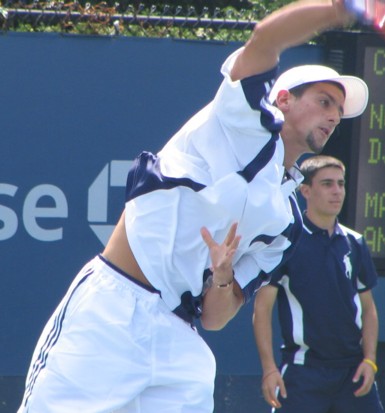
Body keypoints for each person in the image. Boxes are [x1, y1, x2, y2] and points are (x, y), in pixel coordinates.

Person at [18, 2, 369, 412]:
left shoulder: (288, 221)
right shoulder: (240, 122)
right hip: (110, 313)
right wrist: (339, 8)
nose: (334, 117)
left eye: (339, 113)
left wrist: (221, 278)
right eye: (326, 102)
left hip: (179, 342)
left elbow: (215, 318)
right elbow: (265, 38)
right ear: (284, 100)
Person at [253, 155, 384, 413]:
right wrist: (269, 370)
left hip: (353, 373)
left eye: (340, 183)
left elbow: (368, 309)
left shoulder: (355, 242)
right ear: (305, 190)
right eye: (327, 184)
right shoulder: (287, 242)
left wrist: (369, 360)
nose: (337, 191)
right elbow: (262, 309)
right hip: (303, 373)